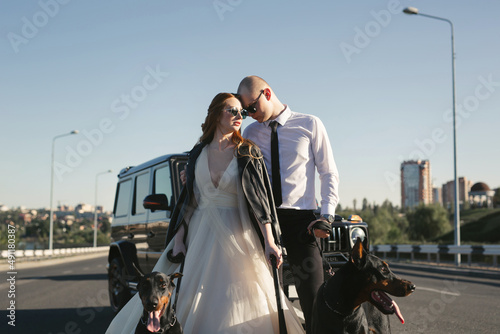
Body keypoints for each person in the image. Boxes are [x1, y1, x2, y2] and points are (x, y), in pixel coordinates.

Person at [106, 92, 305, 334]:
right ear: (215, 114)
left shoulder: (248, 152)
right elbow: (190, 201)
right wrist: (179, 239)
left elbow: (261, 201)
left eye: (241, 112)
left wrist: (269, 241)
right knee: (190, 291)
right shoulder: (197, 153)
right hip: (199, 234)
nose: (238, 115)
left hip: (238, 234)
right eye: (231, 110)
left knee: (237, 297)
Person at [238, 76, 340, 334]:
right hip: (264, 224)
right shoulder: (250, 133)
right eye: (245, 110)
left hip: (302, 223)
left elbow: (328, 173)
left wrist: (326, 215)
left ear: (267, 94)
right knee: (268, 300)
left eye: (252, 107)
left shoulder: (310, 124)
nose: (250, 115)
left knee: (314, 298)